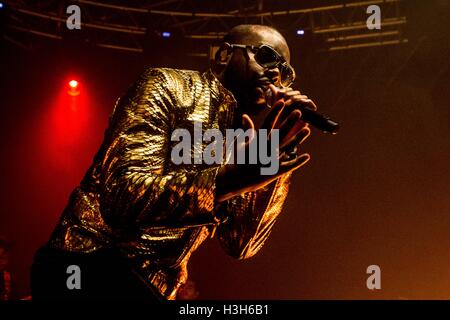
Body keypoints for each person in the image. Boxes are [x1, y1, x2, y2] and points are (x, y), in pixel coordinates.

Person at [31, 24, 318, 300]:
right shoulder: (167, 85)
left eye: (286, 71)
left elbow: (241, 244)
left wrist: (272, 163)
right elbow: (122, 194)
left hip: (152, 287)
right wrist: (224, 182)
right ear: (223, 56)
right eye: (267, 57)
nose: (276, 74)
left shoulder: (243, 137)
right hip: (92, 264)